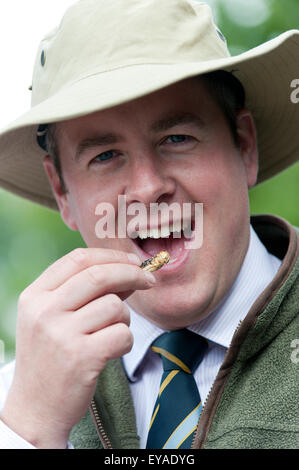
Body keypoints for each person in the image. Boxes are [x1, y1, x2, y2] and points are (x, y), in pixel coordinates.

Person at [0, 0, 298, 450]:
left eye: (177, 138)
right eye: (104, 156)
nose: (147, 187)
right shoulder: (14, 408)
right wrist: (32, 431)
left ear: (244, 146)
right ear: (62, 193)